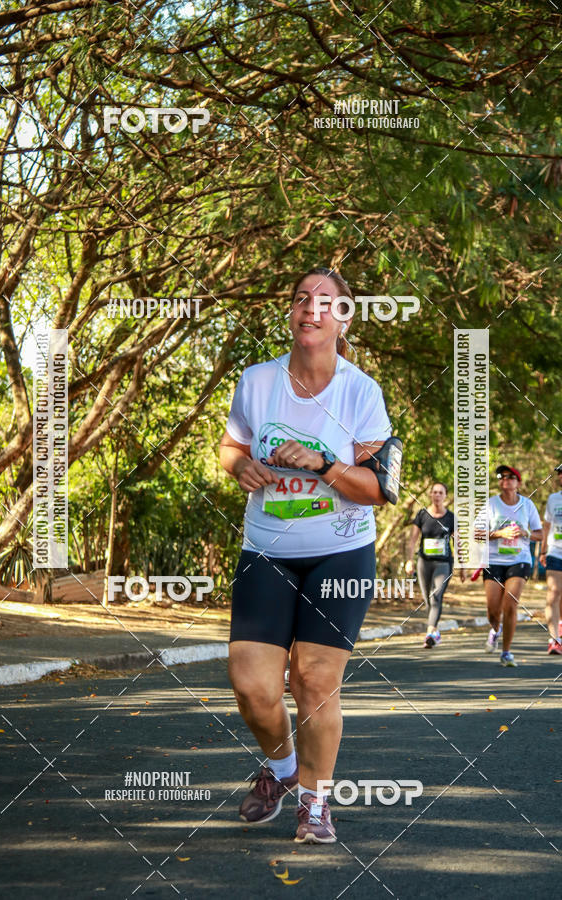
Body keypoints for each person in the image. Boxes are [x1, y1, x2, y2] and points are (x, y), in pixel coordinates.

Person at [219, 266, 402, 843]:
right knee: (252, 684)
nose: (310, 308)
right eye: (301, 298)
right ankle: (283, 770)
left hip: (339, 554)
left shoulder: (361, 392)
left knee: (314, 680)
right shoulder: (256, 381)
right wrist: (239, 465)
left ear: (343, 318)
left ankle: (316, 804)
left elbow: (380, 490)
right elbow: (231, 445)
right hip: (266, 550)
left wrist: (324, 465)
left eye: (325, 302)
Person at [475, 465, 542, 667]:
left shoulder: (527, 505)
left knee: (510, 605)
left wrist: (525, 533)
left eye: (510, 477)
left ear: (518, 483)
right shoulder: (490, 504)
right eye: (502, 477)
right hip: (493, 560)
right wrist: (498, 534)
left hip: (519, 560)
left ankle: (506, 652)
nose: (505, 480)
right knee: (493, 611)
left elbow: (539, 534)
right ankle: (495, 630)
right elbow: (477, 533)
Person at [405, 483, 466, 648]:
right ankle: (435, 631)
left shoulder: (451, 518)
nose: (437, 495)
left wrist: (462, 566)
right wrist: (409, 560)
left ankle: (430, 632)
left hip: (444, 562)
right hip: (424, 562)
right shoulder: (422, 515)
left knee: (436, 596)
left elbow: (458, 542)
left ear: (445, 495)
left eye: (441, 492)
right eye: (434, 492)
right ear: (431, 495)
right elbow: (412, 540)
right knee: (427, 600)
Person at [538, 464, 562, 655]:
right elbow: (546, 526)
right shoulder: (554, 499)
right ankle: (554, 639)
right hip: (555, 552)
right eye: (561, 474)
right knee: (553, 593)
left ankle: (560, 624)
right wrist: (543, 551)